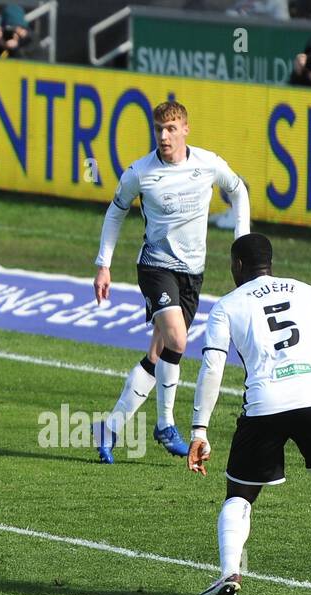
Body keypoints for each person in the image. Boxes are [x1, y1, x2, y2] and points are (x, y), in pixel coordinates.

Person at [187, 234, 311, 595]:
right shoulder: (308, 291)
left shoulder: (227, 306)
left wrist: (199, 430)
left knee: (239, 496)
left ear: (238, 266)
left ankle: (230, 571)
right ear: (269, 263)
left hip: (264, 405)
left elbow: (212, 368)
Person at [93, 100, 250, 464]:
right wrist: (104, 264)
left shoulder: (207, 163)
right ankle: (165, 424)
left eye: (171, 129)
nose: (164, 136)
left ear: (185, 130)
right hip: (155, 266)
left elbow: (239, 189)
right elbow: (115, 211)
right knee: (178, 340)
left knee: (159, 355)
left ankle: (110, 429)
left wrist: (241, 240)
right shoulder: (140, 172)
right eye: (159, 129)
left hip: (192, 273)